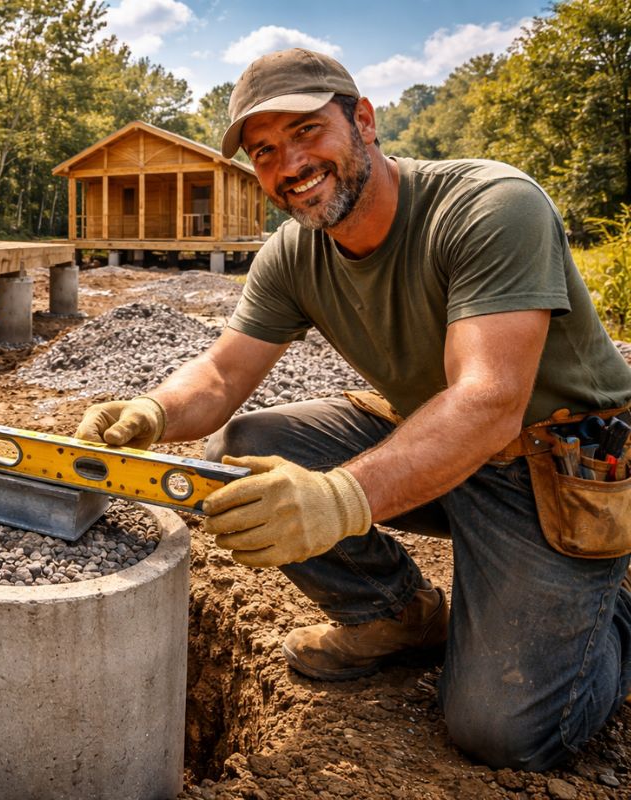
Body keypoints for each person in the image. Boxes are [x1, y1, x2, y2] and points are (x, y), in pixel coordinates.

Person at [75, 48, 631, 772]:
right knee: (247, 446)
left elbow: (490, 402)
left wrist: (343, 497)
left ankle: (607, 614)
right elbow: (218, 376)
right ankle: (396, 616)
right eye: (266, 151)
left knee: (504, 730)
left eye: (307, 132)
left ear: (362, 119)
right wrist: (148, 412)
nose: (290, 164)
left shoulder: (490, 206)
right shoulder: (294, 253)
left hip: (559, 470)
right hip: (440, 442)